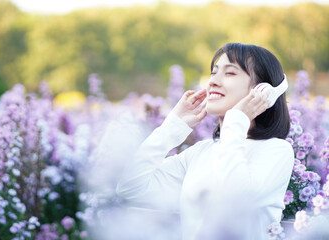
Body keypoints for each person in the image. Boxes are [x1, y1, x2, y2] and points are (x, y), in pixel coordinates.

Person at [116, 43, 294, 239]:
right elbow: (130, 187)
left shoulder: (277, 151)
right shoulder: (200, 153)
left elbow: (235, 201)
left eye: (230, 73)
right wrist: (172, 127)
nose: (213, 82)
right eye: (213, 72)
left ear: (262, 91)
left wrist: (236, 121)